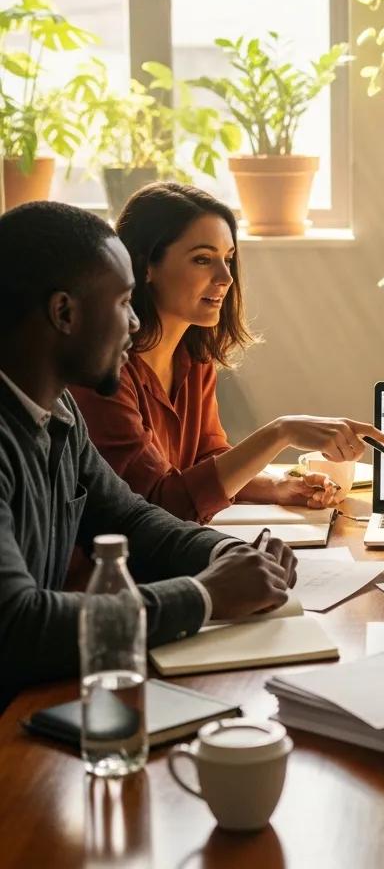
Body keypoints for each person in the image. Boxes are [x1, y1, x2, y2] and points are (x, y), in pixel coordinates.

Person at [0, 201, 299, 702]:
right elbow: (18, 624)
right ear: (64, 313)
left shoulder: (61, 411)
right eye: (123, 303)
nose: (136, 324)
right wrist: (206, 595)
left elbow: (131, 518)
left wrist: (227, 553)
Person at [71, 183, 384, 523]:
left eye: (227, 259)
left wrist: (277, 485)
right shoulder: (104, 374)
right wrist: (281, 432)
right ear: (145, 265)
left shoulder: (194, 359)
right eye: (202, 259)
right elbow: (161, 506)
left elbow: (208, 460)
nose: (225, 277)